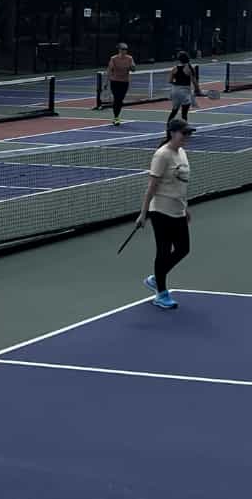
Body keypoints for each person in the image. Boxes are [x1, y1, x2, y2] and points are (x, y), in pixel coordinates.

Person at [136, 118, 195, 309]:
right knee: (163, 251)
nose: (187, 136)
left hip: (177, 210)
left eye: (189, 133)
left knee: (183, 249)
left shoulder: (182, 153)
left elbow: (181, 184)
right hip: (160, 211)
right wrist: (143, 214)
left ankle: (156, 277)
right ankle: (161, 294)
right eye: (184, 133)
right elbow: (151, 187)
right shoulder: (162, 155)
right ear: (172, 133)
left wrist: (185, 207)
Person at [167, 51, 203, 126]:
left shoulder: (174, 68)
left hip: (175, 91)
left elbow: (170, 81)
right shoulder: (189, 68)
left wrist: (176, 85)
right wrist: (198, 90)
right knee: (184, 114)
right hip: (184, 92)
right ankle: (184, 131)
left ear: (179, 60)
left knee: (173, 112)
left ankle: (168, 132)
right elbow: (194, 82)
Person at [106, 42, 135, 126]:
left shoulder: (130, 58)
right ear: (119, 50)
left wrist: (132, 67)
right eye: (123, 49)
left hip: (125, 82)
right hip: (115, 81)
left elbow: (133, 69)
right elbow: (109, 70)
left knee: (120, 100)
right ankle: (116, 118)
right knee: (117, 98)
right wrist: (106, 82)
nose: (125, 51)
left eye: (126, 49)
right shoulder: (113, 58)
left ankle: (116, 116)